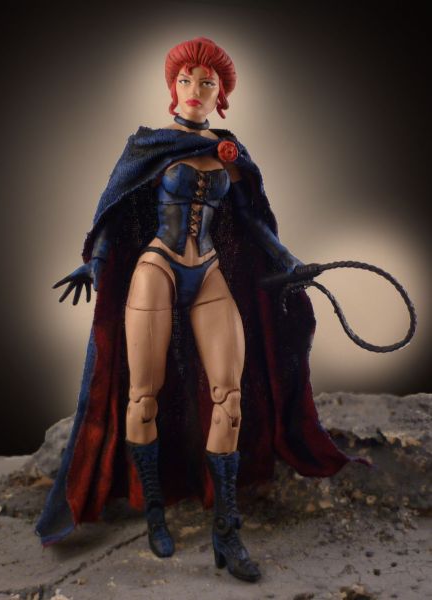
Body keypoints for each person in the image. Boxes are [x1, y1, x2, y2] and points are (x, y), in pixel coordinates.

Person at [35, 37, 370, 583]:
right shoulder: (148, 145)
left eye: (207, 82)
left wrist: (289, 259)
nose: (195, 89)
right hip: (158, 266)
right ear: (173, 87)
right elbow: (116, 210)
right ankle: (155, 511)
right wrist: (93, 261)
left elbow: (253, 220)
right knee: (142, 394)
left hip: (209, 269)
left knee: (230, 397)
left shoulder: (228, 151)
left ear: (222, 94)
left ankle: (226, 530)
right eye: (186, 79)